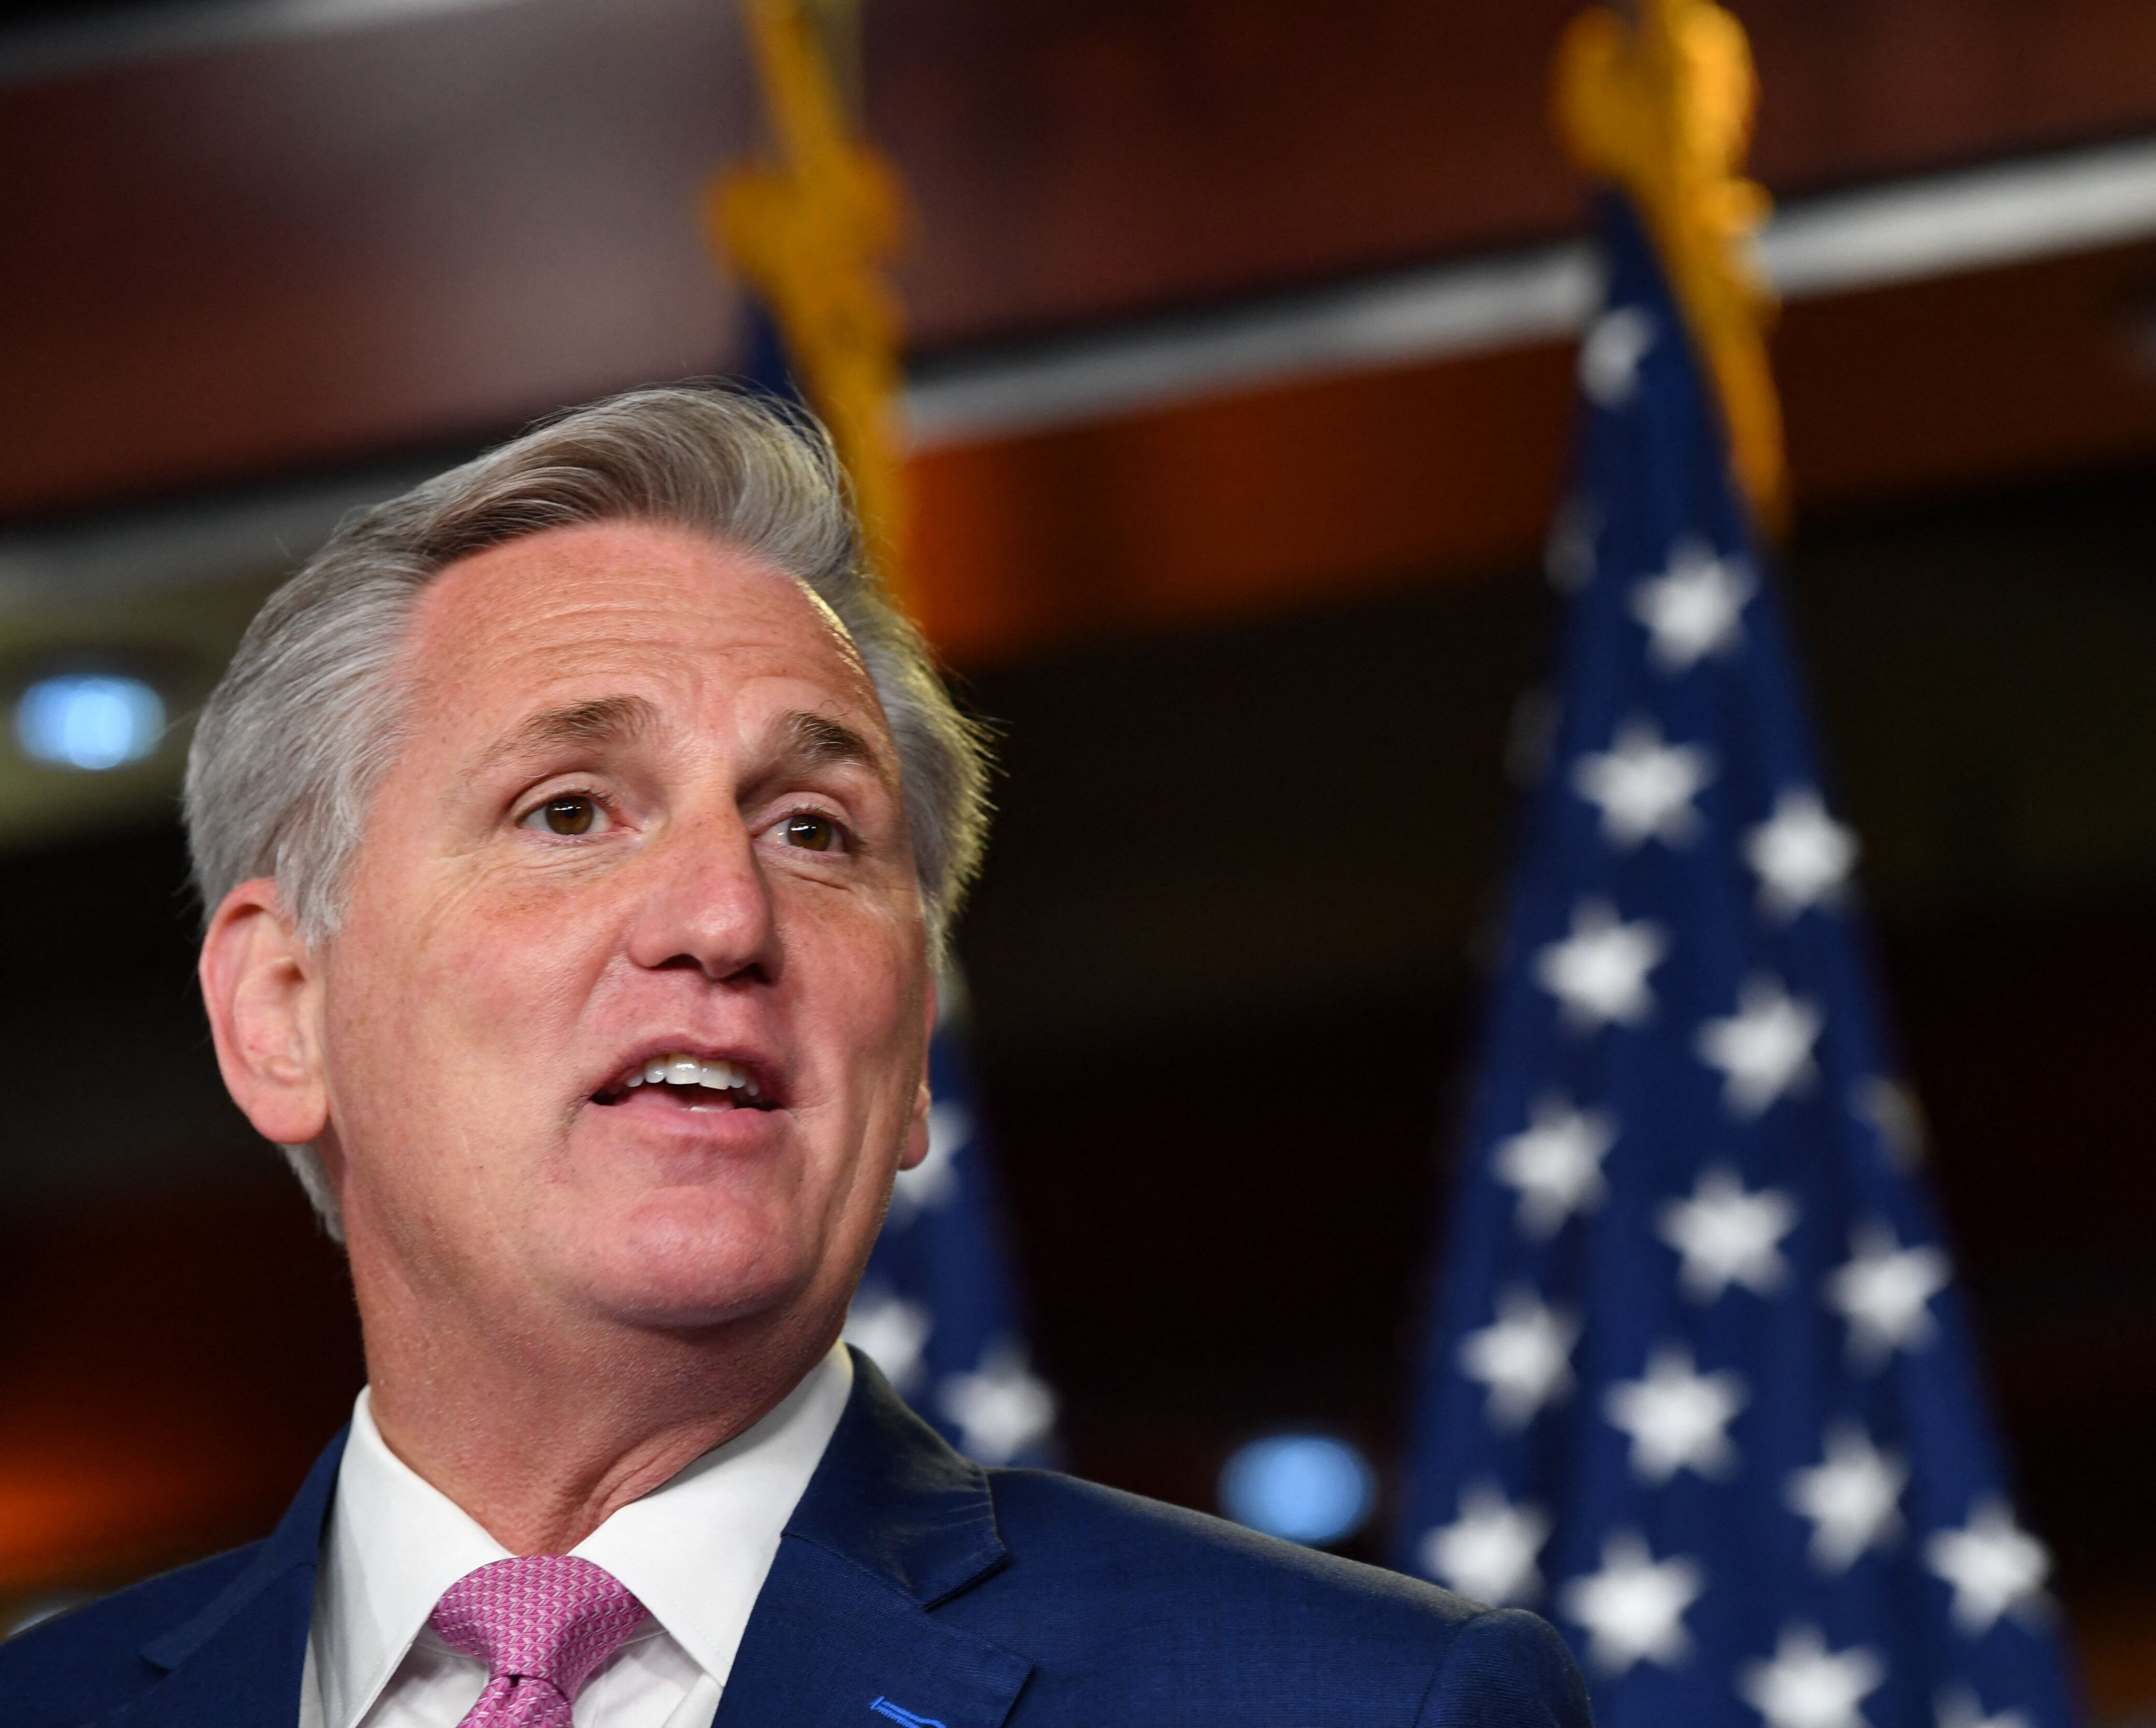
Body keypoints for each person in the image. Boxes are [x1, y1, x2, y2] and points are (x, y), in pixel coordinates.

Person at [1, 387, 1591, 1728]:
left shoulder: (1359, 1707)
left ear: (908, 1062)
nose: (723, 915)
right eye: (570, 809)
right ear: (282, 1008)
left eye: (814, 831)